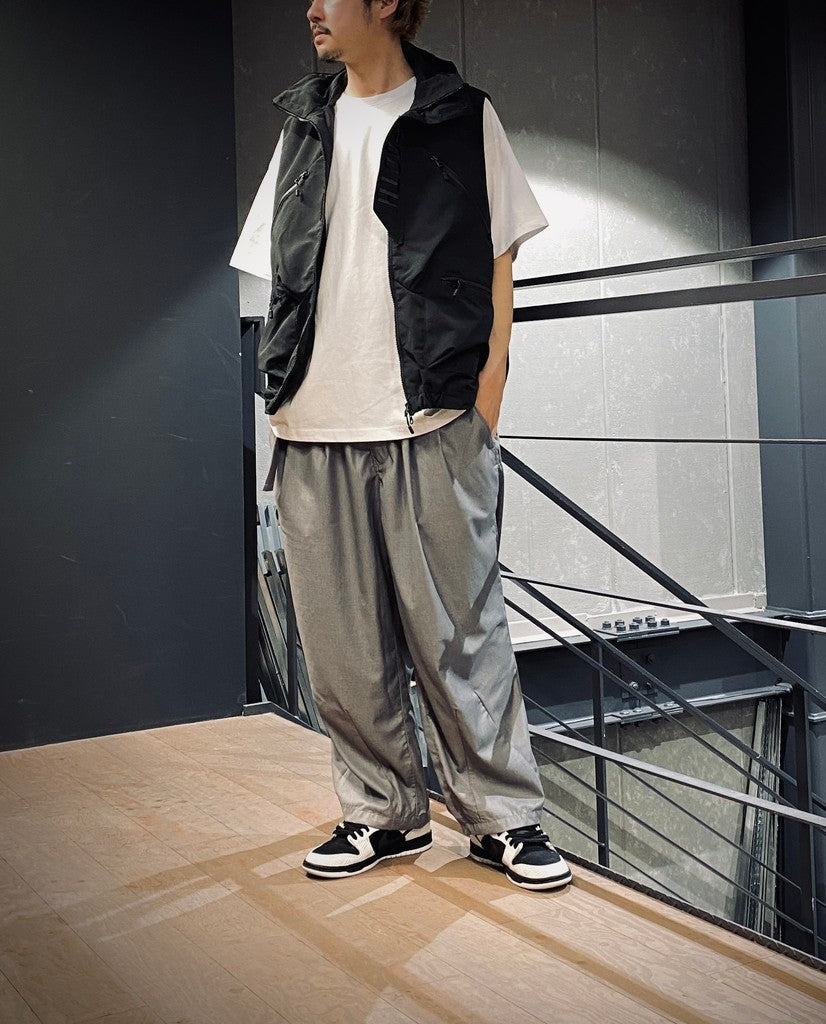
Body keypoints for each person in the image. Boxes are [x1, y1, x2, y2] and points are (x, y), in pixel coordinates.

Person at [230, 0, 572, 891]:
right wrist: (282, 394)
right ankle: (382, 815)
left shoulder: (462, 116)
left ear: (386, 2)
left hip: (431, 419)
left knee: (462, 633)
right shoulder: (303, 127)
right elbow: (280, 268)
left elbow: (499, 263)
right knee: (342, 650)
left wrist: (485, 401)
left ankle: (502, 819)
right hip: (314, 423)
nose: (311, 7)